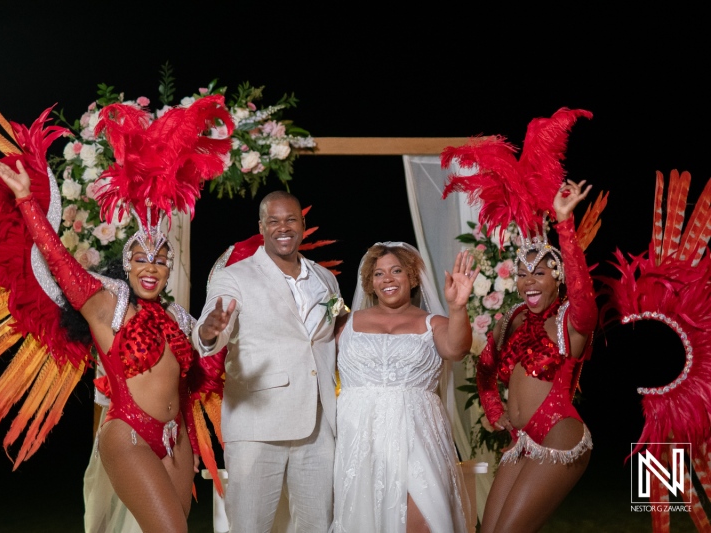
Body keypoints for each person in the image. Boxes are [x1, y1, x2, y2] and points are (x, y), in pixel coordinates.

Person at [0, 95, 233, 533]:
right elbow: (58, 259)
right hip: (130, 436)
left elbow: (199, 377)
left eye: (160, 260)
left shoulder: (178, 318)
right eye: (142, 259)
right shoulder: (107, 304)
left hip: (176, 442)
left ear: (168, 268)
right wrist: (26, 201)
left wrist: (211, 336)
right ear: (128, 262)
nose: (151, 267)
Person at [191, 190, 342, 532]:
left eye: (290, 219)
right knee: (250, 525)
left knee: (319, 523)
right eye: (273, 221)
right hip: (257, 424)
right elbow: (214, 323)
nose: (282, 227)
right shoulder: (235, 277)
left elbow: (328, 337)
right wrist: (211, 331)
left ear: (303, 225)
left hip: (318, 425)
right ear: (261, 227)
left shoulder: (325, 279)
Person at [475, 180, 596, 533]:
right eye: (523, 274)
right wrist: (496, 412)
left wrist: (564, 224)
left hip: (559, 433)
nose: (529, 281)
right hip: (522, 440)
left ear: (557, 280)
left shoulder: (569, 321)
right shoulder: (510, 320)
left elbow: (585, 299)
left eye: (540, 274)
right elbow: (485, 372)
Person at [332, 242, 477, 533]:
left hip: (417, 435)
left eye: (396, 271)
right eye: (379, 273)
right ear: (369, 283)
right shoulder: (343, 324)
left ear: (412, 277)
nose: (387, 279)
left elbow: (456, 349)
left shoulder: (433, 322)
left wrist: (458, 307)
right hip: (360, 436)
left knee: (425, 518)